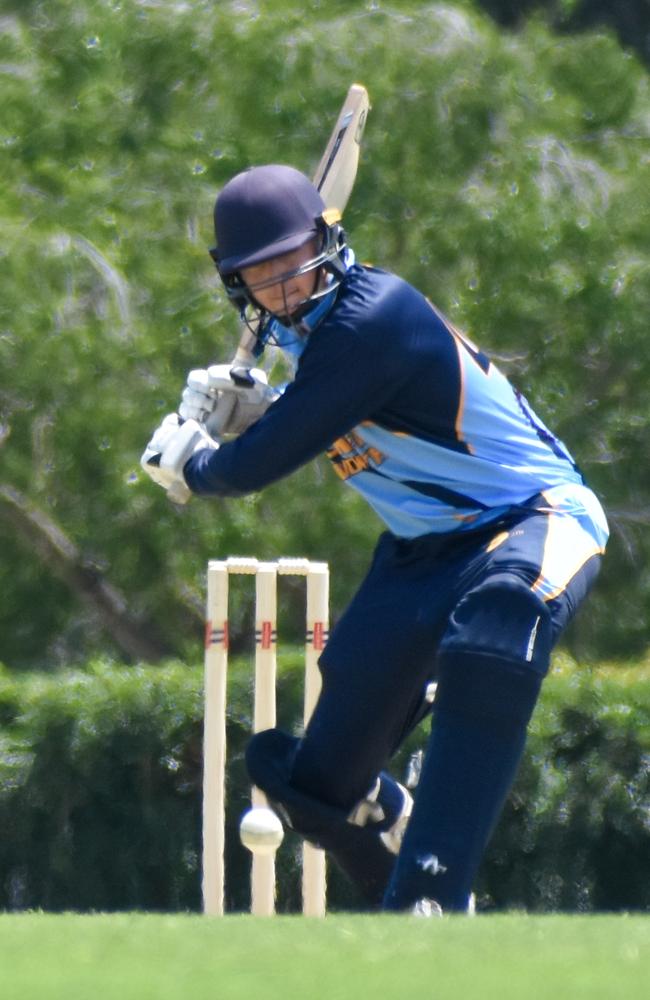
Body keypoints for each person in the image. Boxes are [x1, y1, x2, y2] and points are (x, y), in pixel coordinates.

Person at [142, 164, 608, 914]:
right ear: (238, 286)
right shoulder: (320, 352)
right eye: (263, 276)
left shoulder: (374, 314)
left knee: (496, 624)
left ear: (328, 242)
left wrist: (196, 465)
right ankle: (391, 820)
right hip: (420, 559)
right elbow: (326, 411)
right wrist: (261, 409)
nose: (287, 287)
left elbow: (257, 466)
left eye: (295, 264)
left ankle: (431, 897)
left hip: (532, 518)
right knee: (311, 781)